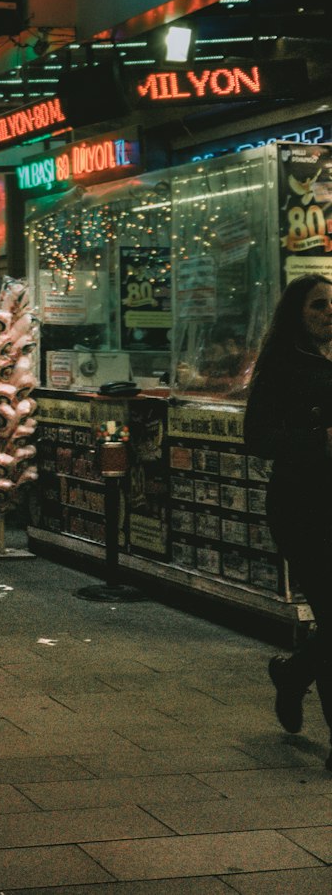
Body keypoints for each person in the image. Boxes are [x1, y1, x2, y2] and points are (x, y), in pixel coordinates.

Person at [244, 274, 332, 763]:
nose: (329, 313)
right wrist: (318, 440)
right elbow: (257, 437)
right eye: (319, 306)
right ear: (297, 313)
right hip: (302, 509)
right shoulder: (281, 365)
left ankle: (293, 675)